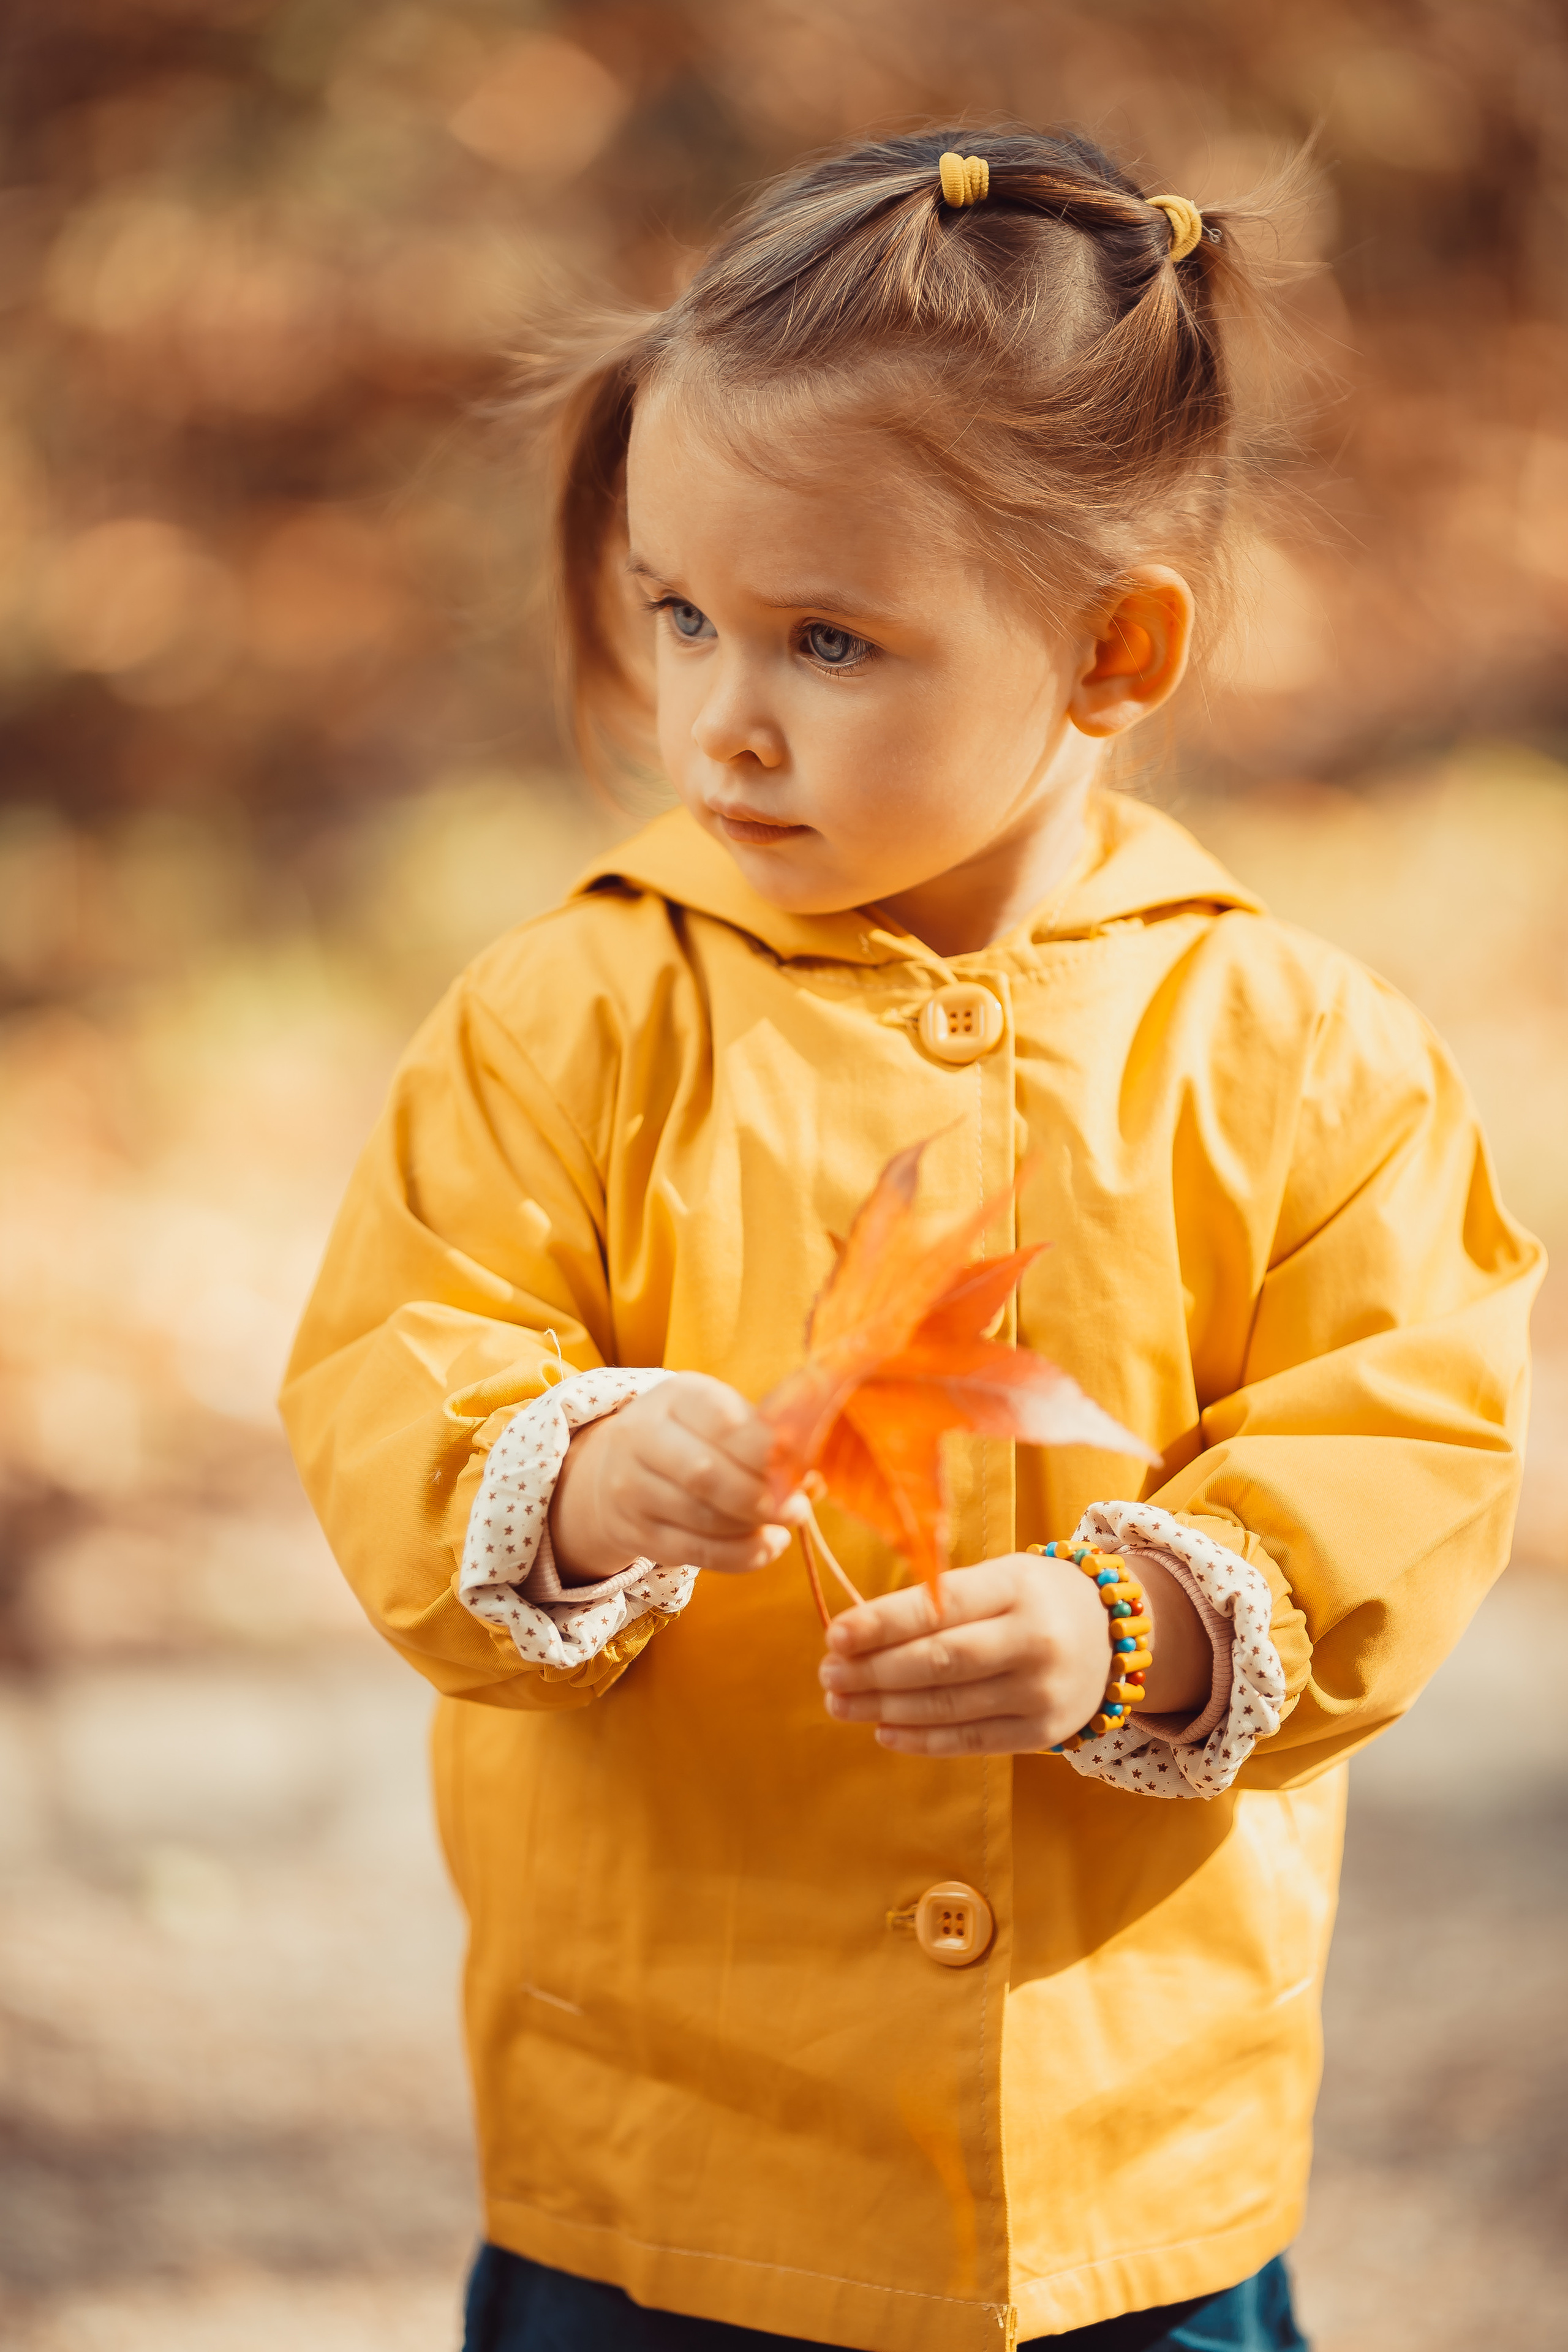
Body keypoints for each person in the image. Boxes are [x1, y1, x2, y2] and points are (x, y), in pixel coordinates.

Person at [281, 129, 1540, 2352]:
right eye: (679, 612)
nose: (719, 717)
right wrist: (570, 1472)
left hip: (1116, 2158)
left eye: (828, 639)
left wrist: (1134, 1619)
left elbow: (1402, 1449)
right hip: (659, 2155)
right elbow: (404, 1360)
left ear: (1110, 649)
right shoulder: (570, 1018)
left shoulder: (1299, 1055)